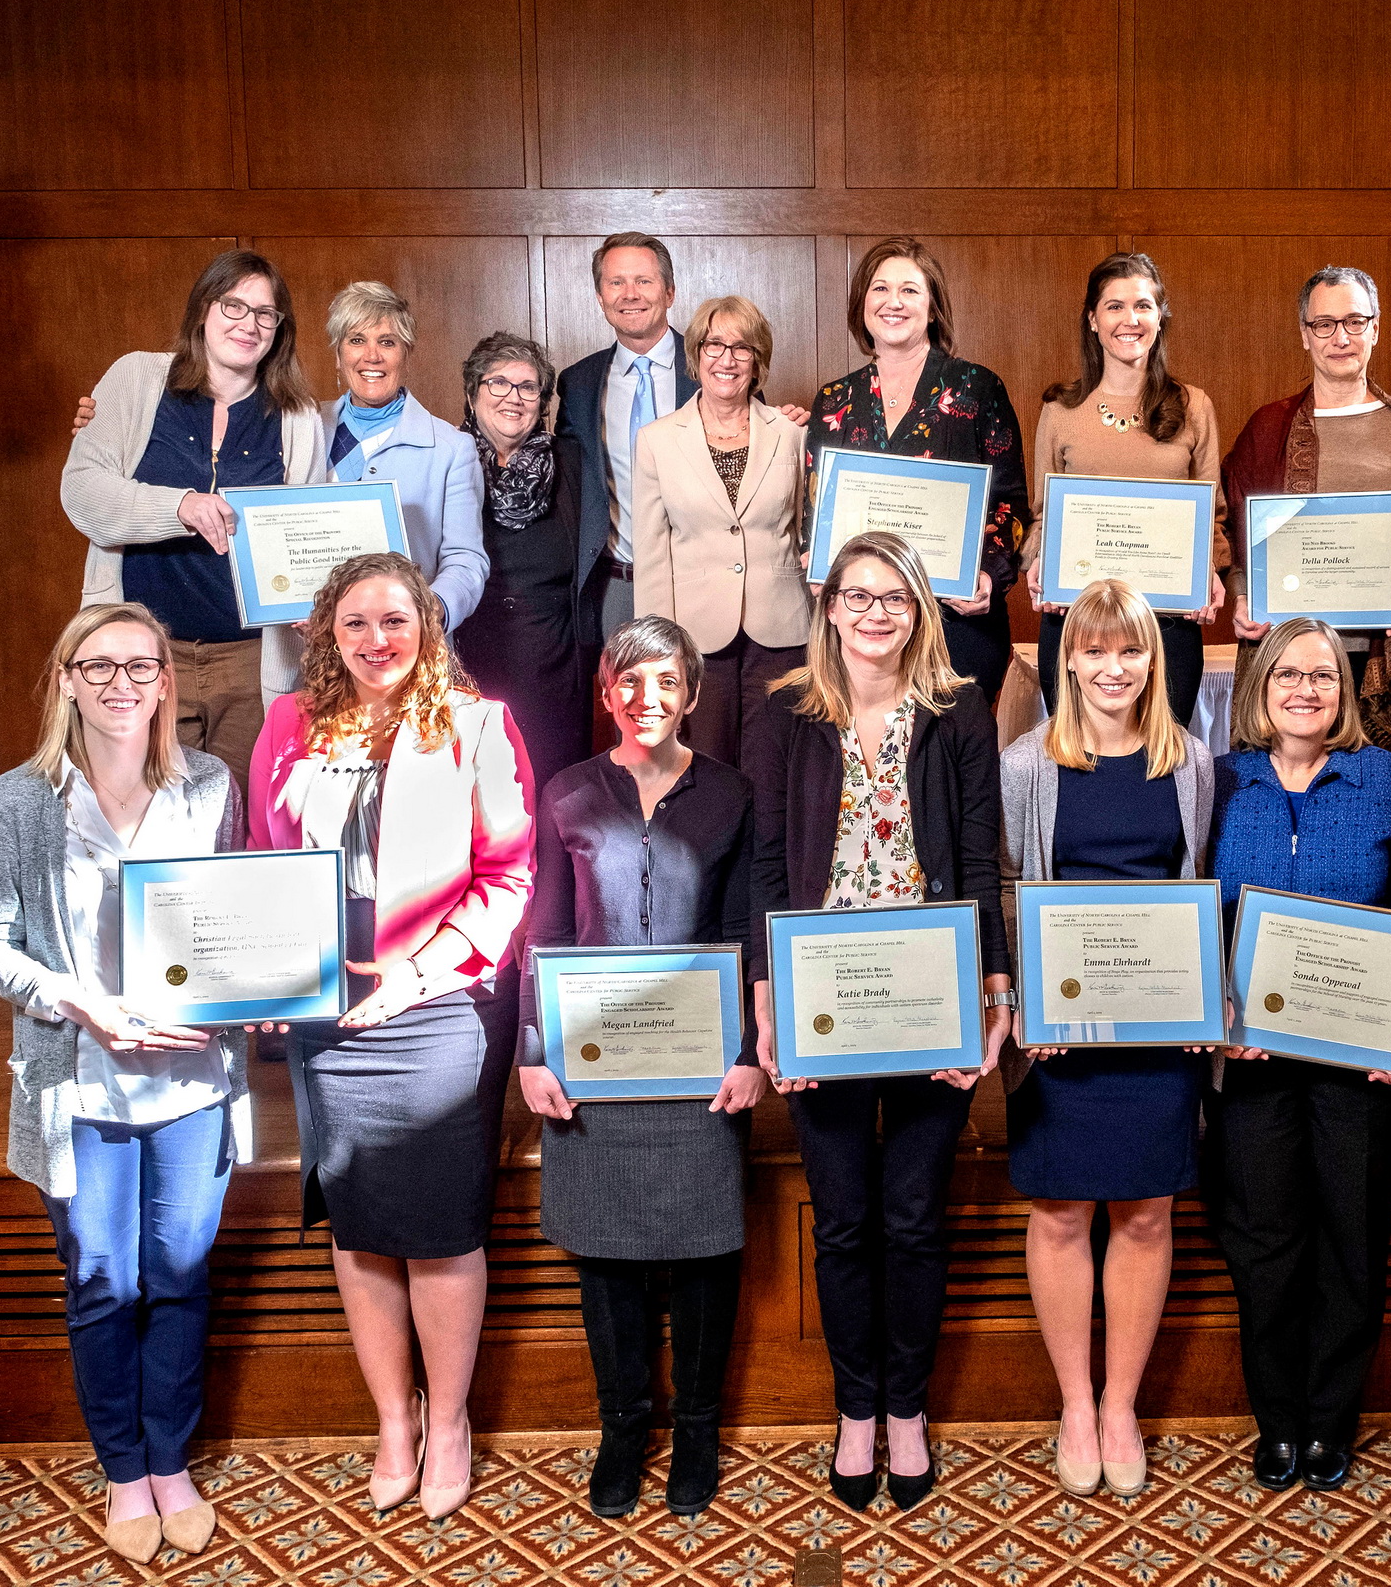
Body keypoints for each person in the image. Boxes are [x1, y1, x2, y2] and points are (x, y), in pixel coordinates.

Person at [0, 604, 254, 1564]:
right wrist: (81, 1005)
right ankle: (124, 1472)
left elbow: (238, 922)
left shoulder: (210, 785)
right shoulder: (15, 801)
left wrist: (255, 988)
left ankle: (171, 1461)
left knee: (177, 1278)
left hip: (191, 1084)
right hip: (79, 1088)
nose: (121, 684)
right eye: (100, 667)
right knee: (99, 1284)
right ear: (66, 681)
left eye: (142, 666)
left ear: (168, 681)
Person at [247, 554, 534, 1521]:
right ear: (328, 630)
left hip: (439, 1001)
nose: (379, 641)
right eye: (358, 623)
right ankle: (392, 1421)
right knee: (360, 1227)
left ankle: (448, 1418)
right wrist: (273, 976)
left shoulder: (476, 724)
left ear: (427, 629)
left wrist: (418, 972)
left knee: (443, 1228)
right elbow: (263, 863)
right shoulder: (288, 726)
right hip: (328, 1012)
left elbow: (508, 877)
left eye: (397, 622)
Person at [744, 530, 1015, 1511]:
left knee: (913, 1216)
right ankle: (855, 1409)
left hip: (933, 996)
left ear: (919, 609)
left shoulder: (960, 710)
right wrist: (766, 997)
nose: (874, 613)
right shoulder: (784, 712)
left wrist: (996, 987)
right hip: (823, 1002)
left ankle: (908, 1408)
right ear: (828, 606)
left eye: (894, 597)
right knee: (848, 1221)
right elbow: (767, 866)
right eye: (857, 595)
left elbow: (981, 860)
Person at [517, 617, 768, 1520]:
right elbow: (541, 931)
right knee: (607, 1256)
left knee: (705, 1253)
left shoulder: (734, 794)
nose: (646, 699)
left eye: (665, 682)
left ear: (692, 693)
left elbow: (748, 933)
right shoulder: (567, 793)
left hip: (704, 1063)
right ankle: (624, 1427)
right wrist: (531, 1053)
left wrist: (749, 1053)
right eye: (627, 682)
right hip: (593, 1063)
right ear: (604, 693)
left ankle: (696, 1430)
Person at [1205, 615, 1391, 1495]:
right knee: (1262, 1242)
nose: (1308, 689)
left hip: (1358, 1062)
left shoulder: (1386, 782)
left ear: (1346, 694)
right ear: (1259, 689)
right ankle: (1279, 1421)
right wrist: (1213, 1003)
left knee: (1350, 1239)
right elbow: (1193, 907)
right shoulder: (1220, 781)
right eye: (1289, 674)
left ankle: (1331, 1423)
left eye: (1326, 676)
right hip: (1252, 1058)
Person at [996, 579, 1216, 1499]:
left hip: (1156, 1037)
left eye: (1129, 651)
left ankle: (1121, 1403)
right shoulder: (1026, 765)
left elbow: (1204, 888)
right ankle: (1074, 1403)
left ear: (1152, 662)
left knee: (1145, 1212)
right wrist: (1028, 1010)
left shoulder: (1194, 762)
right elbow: (1009, 888)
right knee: (1058, 1212)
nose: (1112, 668)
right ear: (1066, 661)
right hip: (1062, 1038)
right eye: (1092, 650)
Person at [61, 250, 323, 782]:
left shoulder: (297, 416)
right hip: (141, 658)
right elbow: (82, 491)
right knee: (144, 811)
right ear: (204, 308)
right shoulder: (136, 379)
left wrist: (311, 597)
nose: (249, 324)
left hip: (252, 663)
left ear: (279, 329)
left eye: (265, 314)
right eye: (234, 306)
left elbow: (309, 529)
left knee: (241, 820)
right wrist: (178, 505)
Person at [1221, 266, 1391, 752]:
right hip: (1283, 655)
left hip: (1376, 655)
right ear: (1305, 335)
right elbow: (1238, 533)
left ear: (1375, 327)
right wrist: (1242, 597)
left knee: (1365, 799)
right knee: (1278, 798)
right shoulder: (1268, 430)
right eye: (1323, 324)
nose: (1340, 337)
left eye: (1354, 321)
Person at [807, 237, 1030, 702]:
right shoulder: (834, 402)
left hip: (955, 623)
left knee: (953, 764)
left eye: (909, 290)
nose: (894, 302)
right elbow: (815, 510)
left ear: (932, 307)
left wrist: (990, 575)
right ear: (862, 305)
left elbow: (1010, 503)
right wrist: (817, 561)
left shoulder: (978, 388)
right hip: (861, 626)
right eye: (880, 289)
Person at [1021, 252, 1226, 726]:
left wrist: (1210, 571)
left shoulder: (1193, 406)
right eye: (1114, 307)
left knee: (1159, 766)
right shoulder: (1060, 410)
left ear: (1160, 317)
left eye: (1142, 306)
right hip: (1076, 622)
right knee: (1080, 765)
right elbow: (1042, 516)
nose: (1129, 320)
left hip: (1166, 626)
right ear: (1092, 320)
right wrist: (1037, 564)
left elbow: (1212, 516)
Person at [633, 296, 814, 764]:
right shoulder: (657, 440)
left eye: (742, 347)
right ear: (696, 355)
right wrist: (657, 650)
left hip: (782, 634)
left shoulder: (793, 434)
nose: (727, 359)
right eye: (715, 345)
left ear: (758, 361)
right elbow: (652, 553)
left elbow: (804, 529)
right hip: (694, 638)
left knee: (774, 767)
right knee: (704, 765)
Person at [286, 282, 485, 695]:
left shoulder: (451, 447)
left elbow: (466, 561)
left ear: (405, 354)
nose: (371, 356)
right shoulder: (300, 430)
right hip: (313, 659)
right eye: (356, 340)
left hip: (409, 661)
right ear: (339, 354)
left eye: (387, 342)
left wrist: (423, 615)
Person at [452, 332, 591, 802]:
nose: (513, 397)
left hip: (552, 664)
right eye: (499, 384)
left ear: (542, 401)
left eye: (528, 387)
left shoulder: (571, 462)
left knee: (552, 799)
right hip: (469, 661)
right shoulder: (447, 459)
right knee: (480, 800)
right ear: (473, 394)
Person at [556, 234, 700, 656]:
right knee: (626, 715)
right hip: (615, 586)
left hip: (699, 583)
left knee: (702, 716)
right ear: (600, 297)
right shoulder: (578, 384)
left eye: (644, 281)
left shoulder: (713, 368)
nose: (630, 294)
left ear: (670, 292)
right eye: (616, 283)